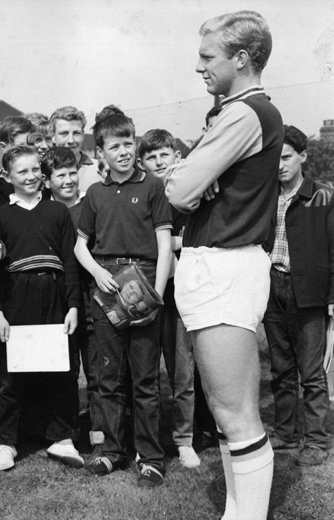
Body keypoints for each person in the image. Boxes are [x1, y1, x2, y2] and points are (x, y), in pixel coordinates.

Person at [165, 11, 283, 520]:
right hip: (219, 265)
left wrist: (189, 173)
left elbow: (177, 190)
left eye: (207, 56)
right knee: (229, 411)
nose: (199, 67)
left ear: (241, 58)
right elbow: (186, 182)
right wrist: (191, 172)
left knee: (236, 415)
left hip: (226, 266)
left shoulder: (243, 114)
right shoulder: (236, 113)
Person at [74, 114, 172, 487]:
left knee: (146, 377)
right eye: (114, 146)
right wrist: (98, 273)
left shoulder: (153, 186)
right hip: (107, 285)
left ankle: (150, 457)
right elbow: (80, 246)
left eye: (129, 143)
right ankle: (112, 452)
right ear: (100, 152)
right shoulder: (96, 194)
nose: (124, 151)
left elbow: (164, 245)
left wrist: (157, 294)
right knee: (108, 376)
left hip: (144, 279)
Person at [0, 145, 82, 472]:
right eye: (22, 172)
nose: (30, 177)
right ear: (7, 177)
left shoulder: (57, 211)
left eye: (35, 170)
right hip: (18, 297)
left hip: (55, 295)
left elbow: (70, 261)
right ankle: (6, 442)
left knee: (59, 369)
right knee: (11, 374)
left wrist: (73, 305)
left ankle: (61, 437)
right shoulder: (1, 216)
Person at [262, 125, 333, 466]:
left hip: (309, 291)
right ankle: (286, 433)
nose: (280, 165)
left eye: (287, 157)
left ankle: (317, 441)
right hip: (272, 287)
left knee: (312, 371)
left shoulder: (322, 196)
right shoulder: (266, 197)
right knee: (280, 369)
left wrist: (331, 296)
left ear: (303, 156)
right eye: (274, 158)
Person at [136, 129, 201, 469]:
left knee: (182, 371)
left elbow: (199, 237)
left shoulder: (191, 193)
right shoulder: (141, 194)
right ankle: (143, 438)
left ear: (177, 155)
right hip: (146, 289)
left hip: (181, 292)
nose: (159, 162)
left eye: (165, 154)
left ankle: (184, 439)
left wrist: (176, 243)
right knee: (143, 370)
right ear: (141, 163)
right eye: (151, 157)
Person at [41, 147, 103, 447]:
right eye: (60, 175)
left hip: (92, 299)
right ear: (47, 180)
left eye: (72, 173)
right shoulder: (44, 209)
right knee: (64, 372)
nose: (67, 180)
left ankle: (98, 430)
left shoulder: (89, 203)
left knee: (97, 370)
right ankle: (65, 433)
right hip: (61, 302)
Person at [0, 116, 34, 212]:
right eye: (21, 146)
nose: (28, 152)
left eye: (31, 145)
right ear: (4, 147)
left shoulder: (42, 181)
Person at [50, 106, 99, 192]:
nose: (71, 140)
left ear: (83, 135)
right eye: (64, 133)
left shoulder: (99, 169)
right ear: (53, 136)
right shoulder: (42, 170)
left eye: (76, 133)